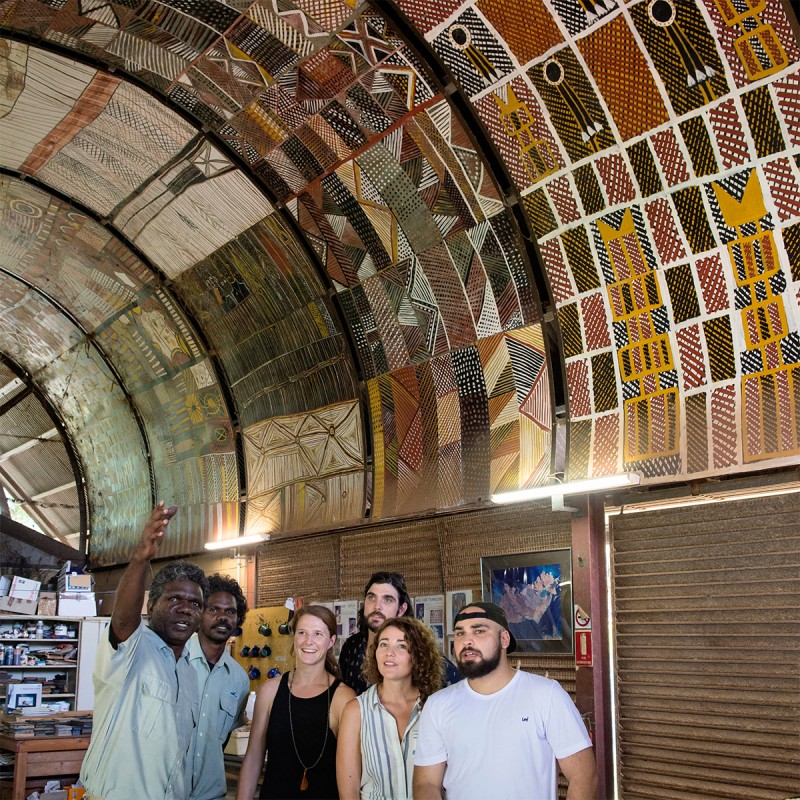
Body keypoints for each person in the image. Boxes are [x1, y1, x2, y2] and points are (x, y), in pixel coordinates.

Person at [80, 503, 208, 800]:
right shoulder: (132, 649)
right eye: (175, 598)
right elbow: (124, 619)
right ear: (151, 605)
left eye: (196, 604)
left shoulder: (190, 671)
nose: (186, 609)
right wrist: (141, 558)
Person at [413, 602, 598, 800]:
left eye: (479, 631)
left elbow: (584, 776)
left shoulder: (546, 695)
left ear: (504, 639)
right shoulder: (438, 705)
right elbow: (426, 783)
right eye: (460, 633)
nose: (467, 641)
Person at [236, 605, 356, 800]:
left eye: (318, 634)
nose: (309, 641)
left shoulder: (343, 698)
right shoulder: (270, 691)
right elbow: (253, 759)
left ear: (330, 641)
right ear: (294, 637)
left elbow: (350, 772)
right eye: (302, 633)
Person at [337, 616, 443, 800]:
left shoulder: (434, 707)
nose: (389, 653)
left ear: (418, 654)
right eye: (384, 644)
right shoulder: (356, 711)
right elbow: (349, 792)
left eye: (401, 645)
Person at [338, 571, 461, 695]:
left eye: (388, 600)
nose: (377, 606)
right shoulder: (352, 646)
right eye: (371, 597)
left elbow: (457, 690)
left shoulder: (420, 649)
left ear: (402, 609)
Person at [188, 573, 251, 800]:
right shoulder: (175, 660)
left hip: (209, 794)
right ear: (200, 613)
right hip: (166, 792)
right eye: (214, 609)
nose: (222, 617)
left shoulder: (239, 680)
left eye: (230, 612)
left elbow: (221, 741)